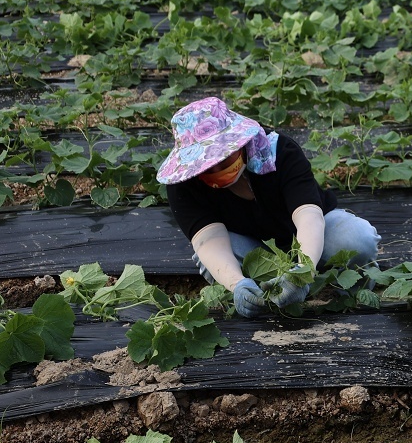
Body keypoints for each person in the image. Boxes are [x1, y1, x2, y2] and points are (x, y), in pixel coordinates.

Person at [157, 97, 381, 318]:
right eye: (206, 166)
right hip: (254, 249)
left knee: (357, 239)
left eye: (223, 158)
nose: (217, 169)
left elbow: (308, 215)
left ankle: (348, 296)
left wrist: (302, 273)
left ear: (241, 144)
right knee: (211, 261)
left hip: (312, 235)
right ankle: (263, 296)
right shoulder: (183, 185)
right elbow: (208, 239)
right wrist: (237, 284)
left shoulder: (279, 151)